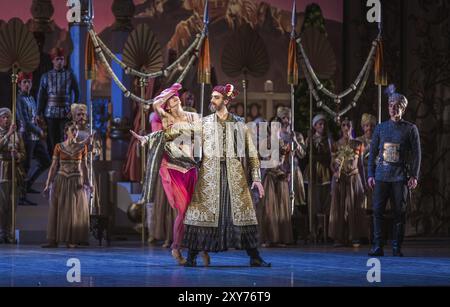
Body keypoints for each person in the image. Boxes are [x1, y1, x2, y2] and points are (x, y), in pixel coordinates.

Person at [183, 84, 270, 267]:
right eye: (212, 97)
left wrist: (256, 178)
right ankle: (191, 256)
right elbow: (181, 134)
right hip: (210, 173)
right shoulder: (204, 122)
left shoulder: (239, 123)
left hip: (234, 174)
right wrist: (155, 137)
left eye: (216, 97)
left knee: (242, 214)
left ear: (226, 101)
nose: (212, 100)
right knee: (202, 214)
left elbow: (252, 152)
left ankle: (254, 256)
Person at [131, 83, 209, 266]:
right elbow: (156, 106)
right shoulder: (166, 119)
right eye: (169, 100)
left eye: (175, 97)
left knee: (196, 212)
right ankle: (176, 247)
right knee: (183, 211)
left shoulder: (194, 117)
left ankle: (202, 247)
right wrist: (170, 90)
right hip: (174, 170)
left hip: (191, 168)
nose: (173, 99)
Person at [368, 85, 421, 257]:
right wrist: (370, 174)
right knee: (377, 211)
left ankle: (397, 246)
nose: (393, 108)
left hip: (400, 176)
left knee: (399, 212)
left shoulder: (410, 129)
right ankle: (378, 246)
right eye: (391, 104)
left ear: (403, 108)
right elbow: (373, 153)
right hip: (382, 175)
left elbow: (417, 154)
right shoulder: (380, 128)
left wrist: (414, 175)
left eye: (397, 105)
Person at [42, 122, 91, 248]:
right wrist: (48, 184)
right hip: (61, 179)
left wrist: (88, 182)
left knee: (73, 211)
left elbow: (85, 167)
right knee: (58, 209)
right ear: (66, 131)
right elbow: (53, 167)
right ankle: (53, 240)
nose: (75, 132)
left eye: (76, 130)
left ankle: (72, 239)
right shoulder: (59, 147)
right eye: (72, 130)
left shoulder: (82, 147)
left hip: (76, 180)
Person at [329, 118, 367, 247]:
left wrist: (365, 182)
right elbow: (332, 163)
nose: (346, 128)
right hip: (341, 178)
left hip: (354, 177)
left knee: (354, 206)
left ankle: (354, 236)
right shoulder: (336, 144)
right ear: (341, 127)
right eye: (344, 125)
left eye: (348, 125)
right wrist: (335, 170)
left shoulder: (358, 144)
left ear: (352, 127)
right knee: (339, 207)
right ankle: (339, 237)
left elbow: (361, 164)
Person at [37, 47, 80, 155]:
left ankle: (63, 159)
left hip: (66, 112)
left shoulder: (70, 75)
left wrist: (73, 110)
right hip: (50, 112)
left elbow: (77, 93)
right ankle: (53, 159)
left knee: (64, 136)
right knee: (51, 138)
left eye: (61, 59)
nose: (60, 61)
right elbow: (41, 95)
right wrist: (38, 112)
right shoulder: (45, 76)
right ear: (53, 60)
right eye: (57, 59)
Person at [16, 72, 51, 203]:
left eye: (28, 82)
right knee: (25, 166)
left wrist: (38, 121)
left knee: (46, 161)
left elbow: (33, 116)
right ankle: (22, 195)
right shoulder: (19, 99)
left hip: (35, 137)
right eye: (24, 82)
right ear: (19, 85)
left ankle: (28, 184)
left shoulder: (31, 98)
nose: (27, 84)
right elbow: (25, 122)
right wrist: (39, 131)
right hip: (26, 136)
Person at [259, 117, 294, 247]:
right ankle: (269, 238)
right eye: (272, 126)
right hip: (270, 175)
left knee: (281, 207)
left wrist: (289, 171)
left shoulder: (284, 143)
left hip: (281, 176)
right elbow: (266, 160)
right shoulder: (265, 143)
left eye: (277, 126)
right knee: (269, 207)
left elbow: (289, 162)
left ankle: (280, 239)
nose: (275, 128)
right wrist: (279, 158)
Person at [304, 114, 333, 241]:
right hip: (313, 171)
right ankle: (313, 229)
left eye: (323, 124)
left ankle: (324, 229)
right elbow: (305, 155)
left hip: (325, 171)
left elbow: (330, 155)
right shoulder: (309, 139)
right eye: (319, 124)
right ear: (314, 126)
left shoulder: (328, 140)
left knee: (325, 200)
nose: (322, 126)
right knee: (313, 201)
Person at [0, 108, 25, 244]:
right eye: (4, 117)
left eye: (8, 117)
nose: (6, 120)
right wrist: (7, 135)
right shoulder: (7, 133)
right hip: (1, 171)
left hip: (13, 172)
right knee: (1, 205)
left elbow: (23, 152)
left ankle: (9, 233)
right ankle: (1, 232)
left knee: (11, 205)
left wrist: (18, 156)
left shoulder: (17, 135)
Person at [356, 113, 377, 212]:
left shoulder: (379, 140)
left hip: (376, 174)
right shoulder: (358, 141)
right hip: (362, 173)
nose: (369, 128)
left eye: (372, 126)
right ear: (363, 127)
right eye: (367, 125)